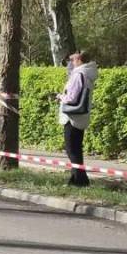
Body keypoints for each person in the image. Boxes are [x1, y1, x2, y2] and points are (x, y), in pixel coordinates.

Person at [55, 51, 98, 187]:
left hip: (72, 117)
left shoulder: (79, 74)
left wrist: (60, 97)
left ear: (79, 60)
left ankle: (80, 180)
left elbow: (71, 98)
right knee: (76, 149)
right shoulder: (88, 73)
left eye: (72, 60)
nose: (71, 63)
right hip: (81, 116)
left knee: (71, 149)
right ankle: (77, 179)